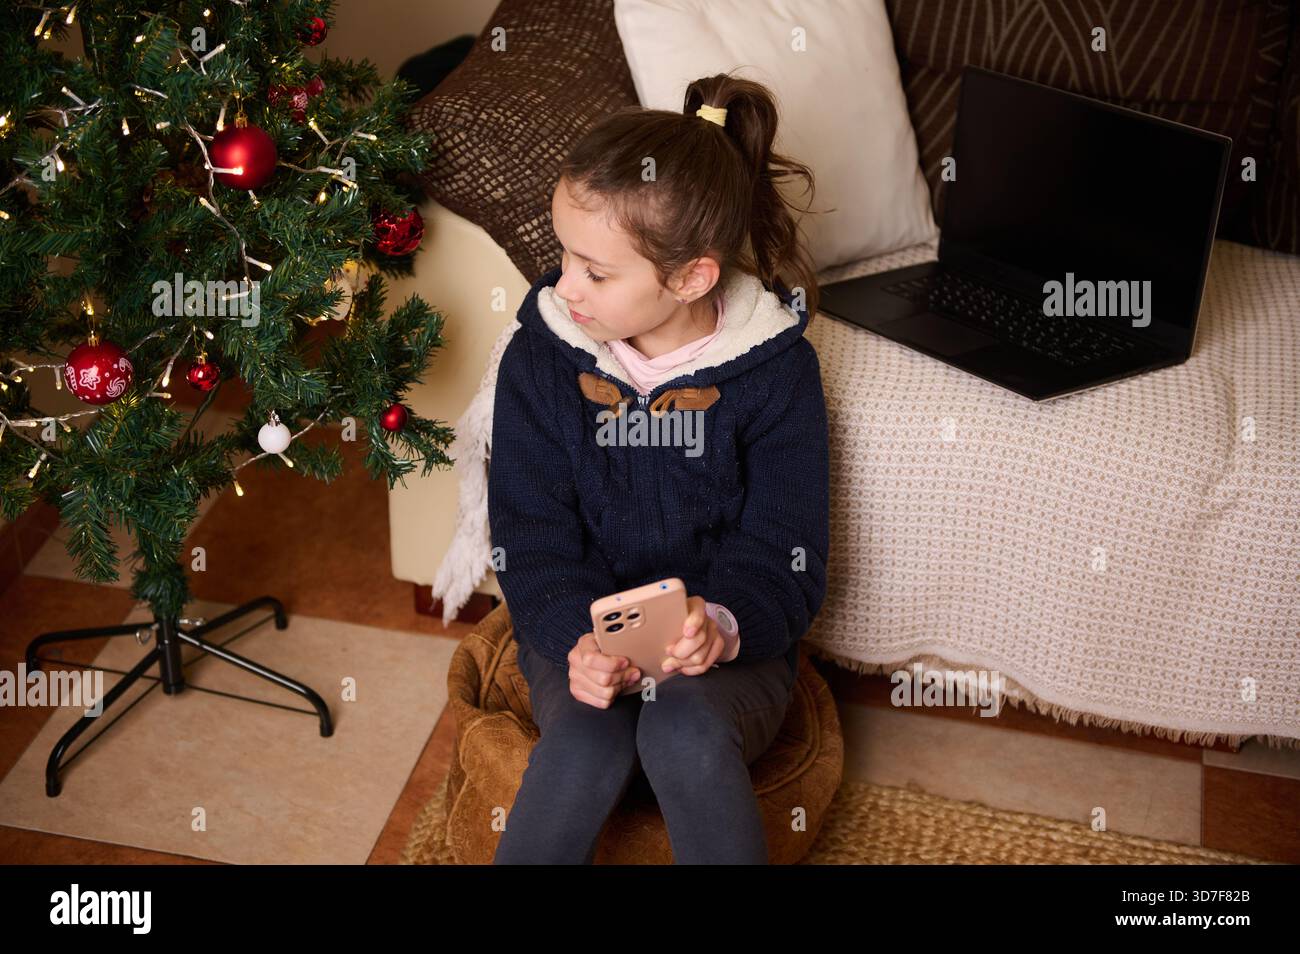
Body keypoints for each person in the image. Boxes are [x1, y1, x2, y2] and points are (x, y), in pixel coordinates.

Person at [488, 71, 830, 864]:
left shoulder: (776, 373)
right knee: (586, 741)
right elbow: (528, 534)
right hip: (582, 624)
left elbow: (789, 548)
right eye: (564, 257)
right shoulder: (541, 357)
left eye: (596, 273)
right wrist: (577, 637)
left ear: (691, 278)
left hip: (726, 644)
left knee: (681, 729)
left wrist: (725, 625)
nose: (563, 288)